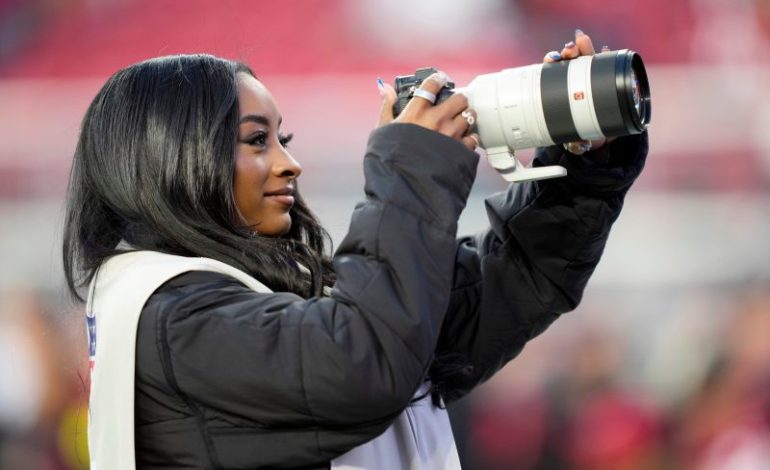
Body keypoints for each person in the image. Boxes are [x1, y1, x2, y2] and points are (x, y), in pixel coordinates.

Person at [63, 29, 648, 469]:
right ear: (173, 158)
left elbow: (498, 291)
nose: (290, 163)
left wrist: (581, 166)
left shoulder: (258, 301)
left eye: (282, 139)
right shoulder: (171, 317)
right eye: (257, 141)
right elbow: (362, 364)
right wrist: (413, 165)